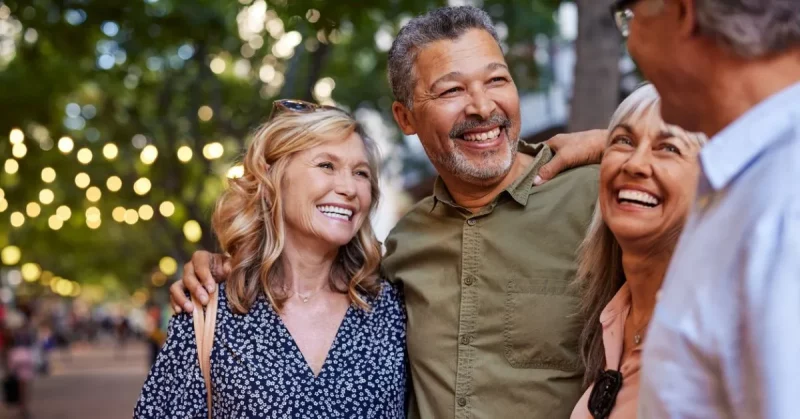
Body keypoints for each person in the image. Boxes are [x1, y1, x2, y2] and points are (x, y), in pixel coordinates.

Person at [171, 6, 607, 418]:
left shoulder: (596, 200)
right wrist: (223, 263)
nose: (482, 106)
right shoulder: (400, 251)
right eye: (452, 89)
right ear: (405, 117)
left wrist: (617, 140)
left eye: (496, 80)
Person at [134, 103, 406, 418]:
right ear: (271, 178)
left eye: (360, 173)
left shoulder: (393, 308)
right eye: (326, 166)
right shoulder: (210, 311)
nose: (348, 188)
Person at [607, 0, 800, 417]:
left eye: (628, 15)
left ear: (681, 11)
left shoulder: (783, 207)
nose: (631, 44)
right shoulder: (749, 182)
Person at [568, 84, 706, 419]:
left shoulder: (717, 333)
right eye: (624, 141)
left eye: (669, 148)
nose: (636, 163)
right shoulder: (615, 314)